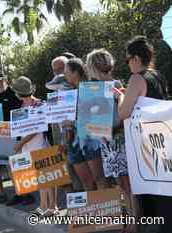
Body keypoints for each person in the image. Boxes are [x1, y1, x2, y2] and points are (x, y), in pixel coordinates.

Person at [117, 36, 170, 233]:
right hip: (162, 140)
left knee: (148, 194)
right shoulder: (157, 75)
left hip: (145, 145)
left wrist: (120, 96)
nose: (128, 64)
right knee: (164, 191)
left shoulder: (137, 78)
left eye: (127, 59)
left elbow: (123, 113)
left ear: (136, 58)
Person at [86, 48, 136, 233]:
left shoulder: (115, 85)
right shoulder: (92, 88)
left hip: (119, 140)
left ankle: (133, 223)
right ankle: (129, 222)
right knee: (122, 185)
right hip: (107, 143)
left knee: (128, 185)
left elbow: (121, 116)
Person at [64, 58, 110, 190]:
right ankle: (93, 210)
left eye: (67, 72)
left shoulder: (93, 87)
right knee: (86, 181)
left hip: (92, 139)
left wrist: (77, 117)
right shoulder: (70, 94)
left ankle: (109, 210)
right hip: (75, 142)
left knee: (99, 178)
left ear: (76, 73)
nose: (65, 76)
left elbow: (101, 113)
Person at [11, 76, 54, 212]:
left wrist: (21, 143)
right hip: (28, 145)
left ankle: (50, 206)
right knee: (39, 177)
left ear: (18, 93)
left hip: (39, 143)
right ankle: (44, 205)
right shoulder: (23, 106)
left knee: (45, 176)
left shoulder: (39, 104)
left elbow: (39, 127)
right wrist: (20, 143)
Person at [0, 70, 22, 205]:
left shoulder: (13, 94)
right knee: (9, 167)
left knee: (17, 165)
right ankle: (17, 193)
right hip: (0, 136)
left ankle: (24, 194)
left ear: (5, 79)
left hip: (16, 135)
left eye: (0, 80)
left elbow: (20, 112)